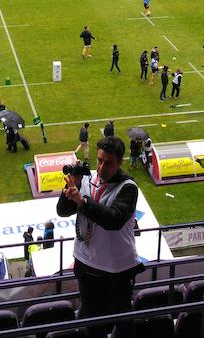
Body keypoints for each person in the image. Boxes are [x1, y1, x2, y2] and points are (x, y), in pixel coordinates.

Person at [56, 136, 142, 338]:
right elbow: (62, 211)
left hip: (117, 269)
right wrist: (71, 188)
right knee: (92, 322)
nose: (101, 167)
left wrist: (82, 202)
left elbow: (113, 220)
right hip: (86, 263)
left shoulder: (128, 187)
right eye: (99, 160)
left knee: (122, 321)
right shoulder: (87, 179)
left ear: (120, 162)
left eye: (108, 162)